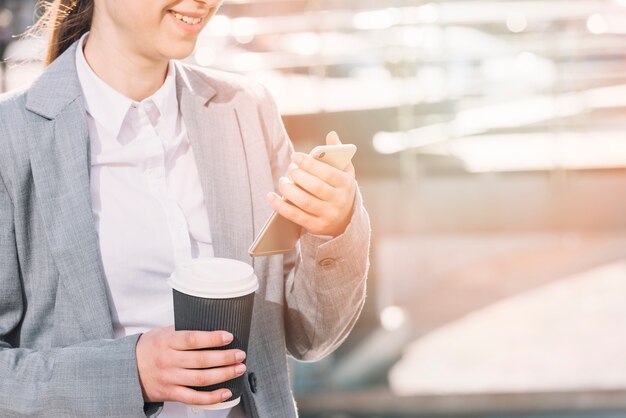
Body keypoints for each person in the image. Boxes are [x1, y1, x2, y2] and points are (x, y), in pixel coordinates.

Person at [0, 0, 370, 417]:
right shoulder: (11, 139)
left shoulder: (247, 109)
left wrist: (333, 230)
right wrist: (130, 373)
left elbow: (309, 336)